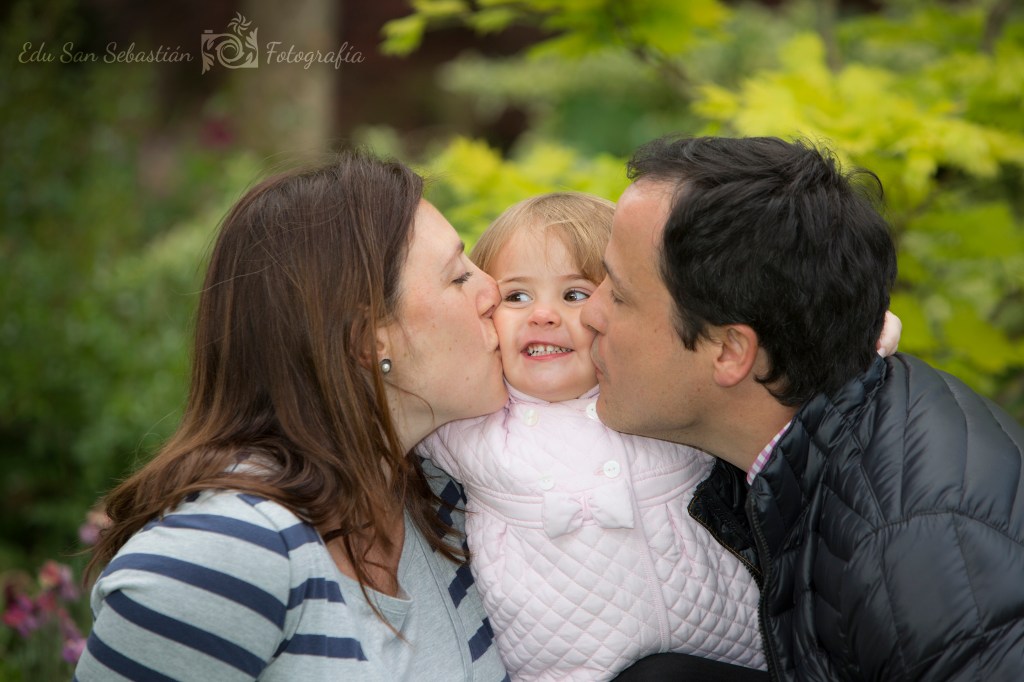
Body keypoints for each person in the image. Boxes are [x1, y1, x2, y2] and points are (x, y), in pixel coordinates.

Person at [582, 135, 1024, 680]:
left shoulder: (921, 559)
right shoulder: (820, 418)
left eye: (619, 295)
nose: (589, 313)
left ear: (730, 352)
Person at [74, 151, 511, 681]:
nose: (495, 292)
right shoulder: (224, 555)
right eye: (458, 277)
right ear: (366, 341)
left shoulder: (448, 500)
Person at [424, 191, 894, 681]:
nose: (542, 315)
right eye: (516, 296)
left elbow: (785, 367)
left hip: (737, 658)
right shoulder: (473, 422)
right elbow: (393, 411)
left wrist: (862, 332)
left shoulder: (649, 400)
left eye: (575, 294)